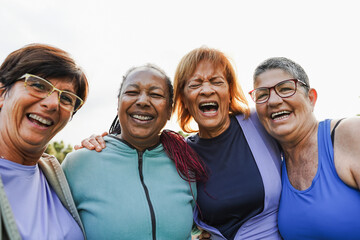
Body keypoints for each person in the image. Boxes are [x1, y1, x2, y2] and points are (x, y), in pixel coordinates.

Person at [79, 48, 283, 240]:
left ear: (229, 91)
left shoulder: (261, 123)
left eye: (216, 81)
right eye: (195, 85)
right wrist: (104, 142)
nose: (206, 90)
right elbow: (139, 154)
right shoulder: (180, 153)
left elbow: (304, 140)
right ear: (183, 99)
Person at [62, 64, 207, 240]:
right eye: (132, 92)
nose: (143, 101)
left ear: (169, 110)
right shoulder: (78, 164)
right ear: (118, 103)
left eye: (155, 95)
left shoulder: (186, 164)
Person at [250, 57, 360, 239]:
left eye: (285, 89)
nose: (274, 101)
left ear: (311, 98)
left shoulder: (349, 134)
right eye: (262, 95)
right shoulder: (273, 172)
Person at [0, 44, 88, 239]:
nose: (53, 103)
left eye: (66, 98)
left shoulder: (59, 176)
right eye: (38, 85)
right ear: (2, 93)